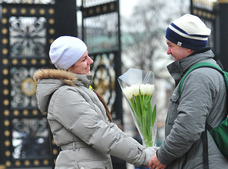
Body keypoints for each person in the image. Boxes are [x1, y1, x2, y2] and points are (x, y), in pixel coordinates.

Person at [33, 36, 156, 169]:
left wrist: (145, 151)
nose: (90, 61)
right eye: (84, 59)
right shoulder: (64, 95)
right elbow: (99, 133)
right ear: (69, 66)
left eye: (88, 56)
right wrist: (143, 156)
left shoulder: (80, 90)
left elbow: (109, 128)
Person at [148, 14, 228, 169]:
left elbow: (188, 128)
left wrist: (163, 157)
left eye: (171, 45)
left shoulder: (199, 77)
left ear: (188, 46)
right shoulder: (205, 71)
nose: (167, 51)